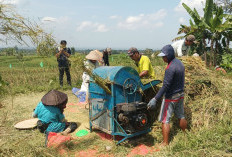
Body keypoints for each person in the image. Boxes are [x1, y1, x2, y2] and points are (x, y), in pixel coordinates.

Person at [147, 45, 187, 146]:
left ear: (169, 55)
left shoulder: (170, 68)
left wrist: (155, 98)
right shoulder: (179, 63)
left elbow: (166, 85)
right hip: (180, 94)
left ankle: (165, 143)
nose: (163, 58)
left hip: (171, 97)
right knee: (181, 115)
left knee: (165, 119)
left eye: (164, 56)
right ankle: (185, 135)